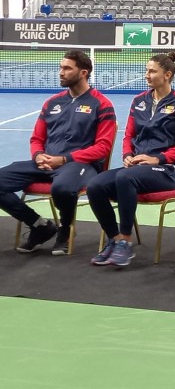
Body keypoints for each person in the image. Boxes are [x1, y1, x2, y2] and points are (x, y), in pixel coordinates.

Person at [0, 50, 117, 255]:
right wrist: (38, 155)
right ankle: (39, 226)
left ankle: (65, 229)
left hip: (81, 165)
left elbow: (103, 148)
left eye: (66, 68)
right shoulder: (52, 103)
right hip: (45, 163)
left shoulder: (102, 104)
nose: (60, 72)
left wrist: (64, 159)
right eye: (60, 68)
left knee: (62, 188)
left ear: (83, 72)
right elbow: (37, 139)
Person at [87, 52, 175, 267]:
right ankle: (115, 239)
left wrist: (158, 159)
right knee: (95, 185)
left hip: (165, 171)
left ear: (167, 74)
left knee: (126, 178)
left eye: (152, 71)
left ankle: (125, 242)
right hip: (136, 168)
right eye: (147, 70)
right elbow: (129, 135)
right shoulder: (138, 101)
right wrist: (127, 155)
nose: (147, 75)